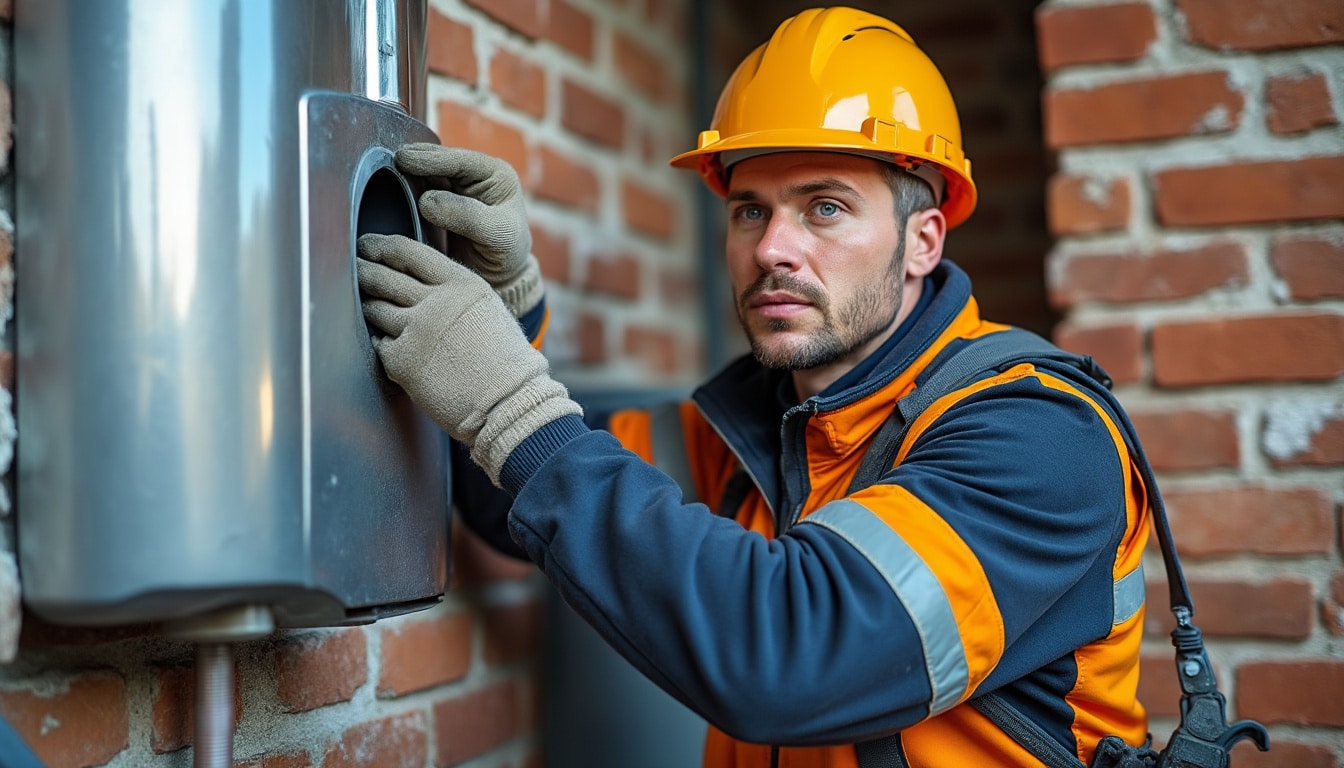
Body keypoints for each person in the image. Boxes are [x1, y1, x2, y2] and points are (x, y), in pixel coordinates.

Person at [356, 7, 1153, 766]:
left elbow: (789, 659)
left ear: (922, 241)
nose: (774, 247)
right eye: (749, 210)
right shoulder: (751, 427)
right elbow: (516, 497)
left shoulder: (1043, 438)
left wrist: (510, 402)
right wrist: (509, 308)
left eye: (825, 208)